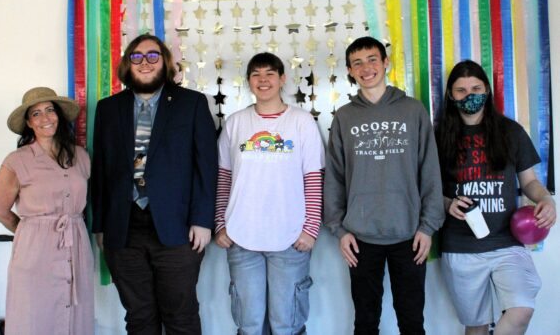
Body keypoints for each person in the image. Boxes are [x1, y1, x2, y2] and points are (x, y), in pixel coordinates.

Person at [91, 33, 218, 334]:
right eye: (137, 56)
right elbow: (100, 169)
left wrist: (203, 220)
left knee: (181, 315)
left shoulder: (192, 104)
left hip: (179, 229)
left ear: (165, 63)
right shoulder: (108, 109)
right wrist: (100, 224)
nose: (145, 63)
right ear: (127, 64)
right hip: (124, 229)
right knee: (139, 316)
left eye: (152, 56)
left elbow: (206, 167)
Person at [324, 36, 445, 335]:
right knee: (365, 323)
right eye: (357, 63)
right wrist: (339, 230)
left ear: (385, 62)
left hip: (410, 236)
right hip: (360, 239)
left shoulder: (413, 111)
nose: (366, 68)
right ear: (350, 71)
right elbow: (335, 178)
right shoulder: (344, 117)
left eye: (372, 59)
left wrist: (428, 227)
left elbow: (429, 171)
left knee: (412, 321)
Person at [435, 60, 556, 335]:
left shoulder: (510, 131)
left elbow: (530, 183)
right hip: (460, 246)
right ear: (451, 95)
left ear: (488, 90)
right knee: (475, 326)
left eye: (476, 88)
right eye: (461, 90)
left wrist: (546, 200)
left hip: (506, 242)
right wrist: (447, 203)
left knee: (521, 310)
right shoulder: (439, 136)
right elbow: (429, 192)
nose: (470, 95)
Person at [214, 52, 325, 335]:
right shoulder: (236, 123)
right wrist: (221, 224)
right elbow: (223, 178)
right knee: (249, 323)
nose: (263, 80)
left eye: (270, 74)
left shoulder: (301, 122)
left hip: (289, 238)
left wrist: (310, 228)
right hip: (241, 237)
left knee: (286, 323)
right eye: (256, 75)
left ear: (282, 79)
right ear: (249, 82)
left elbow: (313, 177)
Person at [0, 87, 93, 335]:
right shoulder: (16, 161)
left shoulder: (81, 156)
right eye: (36, 113)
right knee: (34, 314)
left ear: (58, 115)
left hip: (76, 241)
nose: (45, 118)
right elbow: (0, 210)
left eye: (50, 110)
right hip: (35, 251)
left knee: (74, 311)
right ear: (28, 122)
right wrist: (32, 232)